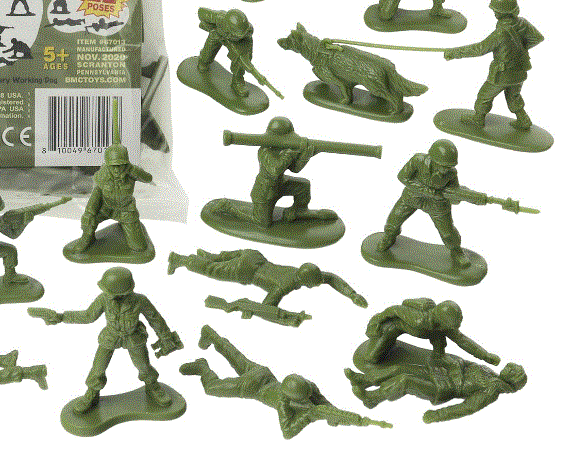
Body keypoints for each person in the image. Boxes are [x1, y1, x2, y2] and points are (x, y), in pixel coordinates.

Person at [180, 326, 388, 438]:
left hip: (263, 375)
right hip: (253, 387)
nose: (308, 399)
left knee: (236, 357)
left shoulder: (307, 387)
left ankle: (211, 335)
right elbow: (287, 432)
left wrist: (332, 414)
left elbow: (321, 401)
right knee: (212, 388)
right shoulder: (283, 401)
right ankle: (203, 367)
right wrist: (308, 416)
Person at [29, 268, 182, 414]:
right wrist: (62, 317)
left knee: (143, 365)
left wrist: (166, 337)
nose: (107, 293)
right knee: (98, 367)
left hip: (133, 337)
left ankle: (152, 386)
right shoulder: (104, 299)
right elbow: (88, 316)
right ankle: (92, 392)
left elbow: (155, 318)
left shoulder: (139, 300)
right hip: (110, 337)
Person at [444, 0, 543, 129]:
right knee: (514, 96)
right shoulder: (523, 23)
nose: (494, 13)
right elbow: (537, 38)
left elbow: (479, 49)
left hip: (502, 74)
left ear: (501, 12)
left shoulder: (500, 33)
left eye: (496, 10)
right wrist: (519, 51)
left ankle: (478, 119)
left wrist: (455, 52)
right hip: (520, 71)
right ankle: (523, 120)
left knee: (484, 96)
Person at [375, 139, 469, 268]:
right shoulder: (418, 160)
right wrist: (424, 190)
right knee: (394, 219)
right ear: (432, 158)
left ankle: (456, 250)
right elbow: (402, 177)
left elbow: (453, 193)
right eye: (442, 165)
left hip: (437, 204)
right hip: (412, 197)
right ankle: (389, 237)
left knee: (448, 232)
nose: (444, 170)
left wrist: (460, 197)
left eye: (448, 167)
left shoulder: (452, 173)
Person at [345, 357, 526, 423]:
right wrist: (455, 364)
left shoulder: (493, 388)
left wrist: (438, 415)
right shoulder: (490, 372)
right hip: (440, 373)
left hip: (443, 388)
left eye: (514, 370)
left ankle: (372, 398)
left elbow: (469, 407)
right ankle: (363, 380)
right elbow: (464, 362)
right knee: (400, 368)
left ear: (513, 380)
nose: (511, 366)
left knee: (406, 381)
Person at [168, 248, 365, 307]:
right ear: (306, 283)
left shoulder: (298, 271)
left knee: (226, 258)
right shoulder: (286, 285)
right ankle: (180, 259)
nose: (317, 285)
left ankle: (209, 256)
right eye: (314, 284)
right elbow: (267, 306)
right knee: (212, 270)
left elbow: (331, 278)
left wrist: (352, 294)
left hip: (255, 256)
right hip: (246, 271)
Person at [363, 298, 499, 365]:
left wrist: (485, 355)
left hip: (429, 332)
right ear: (441, 319)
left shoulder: (445, 325)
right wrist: (376, 322)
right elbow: (393, 310)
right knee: (372, 359)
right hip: (393, 328)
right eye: (451, 325)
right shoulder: (419, 319)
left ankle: (438, 355)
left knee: (439, 335)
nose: (453, 329)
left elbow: (462, 340)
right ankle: (388, 343)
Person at [73, 141, 152, 254]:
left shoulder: (131, 172)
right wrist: (89, 212)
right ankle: (87, 238)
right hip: (105, 208)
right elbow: (96, 193)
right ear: (107, 164)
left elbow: (148, 179)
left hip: (126, 210)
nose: (116, 169)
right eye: (113, 166)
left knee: (139, 247)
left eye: (120, 165)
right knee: (89, 219)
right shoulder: (103, 174)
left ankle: (129, 229)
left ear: (125, 164)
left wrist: (133, 169)